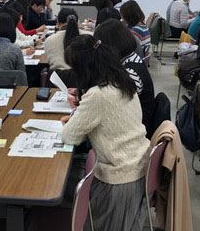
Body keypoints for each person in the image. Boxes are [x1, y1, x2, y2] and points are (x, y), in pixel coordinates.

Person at [61, 35, 150, 230]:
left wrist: (76, 117)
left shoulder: (97, 95)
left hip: (118, 180)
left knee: (60, 184)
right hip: (139, 167)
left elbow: (69, 136)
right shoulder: (123, 80)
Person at [94, 20, 156, 134]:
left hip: (134, 131)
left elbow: (115, 106)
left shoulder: (130, 71)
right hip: (132, 124)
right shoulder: (131, 58)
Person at [45, 8, 91, 73]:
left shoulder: (49, 40)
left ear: (58, 23)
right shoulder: (89, 36)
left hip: (58, 80)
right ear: (77, 22)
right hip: (85, 80)